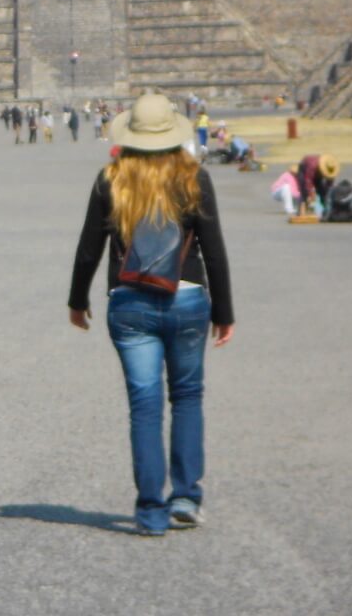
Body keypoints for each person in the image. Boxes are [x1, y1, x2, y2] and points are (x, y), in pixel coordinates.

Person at [67, 92, 235, 536]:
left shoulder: (112, 179)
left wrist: (77, 300)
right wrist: (224, 310)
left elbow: (89, 249)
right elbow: (214, 251)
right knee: (186, 397)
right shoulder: (193, 177)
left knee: (144, 407)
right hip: (188, 297)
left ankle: (150, 511)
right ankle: (185, 497)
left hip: (129, 300)